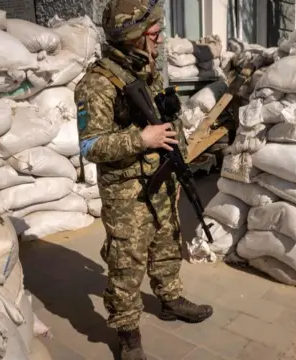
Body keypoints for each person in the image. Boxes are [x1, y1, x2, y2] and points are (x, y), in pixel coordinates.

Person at [74, 0, 213, 358]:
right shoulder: (97, 84)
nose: (160, 39)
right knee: (127, 260)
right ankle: (127, 334)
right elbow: (90, 145)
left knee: (167, 241)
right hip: (127, 192)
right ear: (133, 36)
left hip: (161, 176)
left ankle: (169, 300)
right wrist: (142, 139)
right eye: (153, 33)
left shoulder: (145, 68)